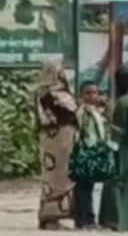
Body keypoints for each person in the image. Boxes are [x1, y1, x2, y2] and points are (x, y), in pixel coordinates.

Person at [35, 60, 78, 230]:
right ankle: (51, 217)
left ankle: (50, 216)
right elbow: (56, 117)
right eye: (59, 72)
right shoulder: (47, 95)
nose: (63, 75)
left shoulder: (62, 93)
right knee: (54, 179)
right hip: (55, 143)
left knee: (63, 177)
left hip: (64, 143)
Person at [99, 68, 128, 232]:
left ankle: (115, 221)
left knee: (115, 183)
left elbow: (118, 133)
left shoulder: (122, 104)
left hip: (122, 150)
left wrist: (108, 150)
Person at [73, 80, 108, 230]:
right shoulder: (83, 113)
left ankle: (83, 220)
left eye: (94, 92)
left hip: (93, 153)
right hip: (84, 153)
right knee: (83, 187)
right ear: (81, 95)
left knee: (87, 187)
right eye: (88, 93)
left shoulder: (95, 112)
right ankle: (86, 220)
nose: (92, 96)